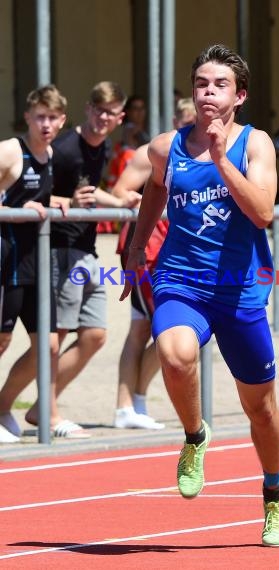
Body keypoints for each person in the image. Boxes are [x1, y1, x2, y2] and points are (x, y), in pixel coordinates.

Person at [120, 44, 279, 547]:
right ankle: (196, 436)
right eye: (200, 83)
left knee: (260, 409)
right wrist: (135, 249)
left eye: (218, 85)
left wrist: (220, 159)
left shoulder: (255, 144)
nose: (207, 92)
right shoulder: (166, 146)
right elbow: (155, 188)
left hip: (240, 289)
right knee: (174, 355)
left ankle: (275, 492)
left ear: (239, 95)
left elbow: (262, 213)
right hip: (181, 279)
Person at [23, 81, 140, 439]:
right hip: (60, 249)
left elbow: (86, 190)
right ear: (87, 110)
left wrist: (118, 203)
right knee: (52, 340)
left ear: (119, 118)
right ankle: (42, 412)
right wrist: (66, 200)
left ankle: (40, 406)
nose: (103, 118)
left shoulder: (100, 146)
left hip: (86, 250)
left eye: (110, 113)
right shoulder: (64, 147)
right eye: (98, 110)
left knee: (95, 335)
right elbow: (43, 191)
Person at [112, 98, 196, 430]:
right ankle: (132, 401)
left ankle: (129, 405)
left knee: (140, 329)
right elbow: (120, 189)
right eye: (185, 118)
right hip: (148, 252)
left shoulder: (204, 153)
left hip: (174, 252)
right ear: (175, 118)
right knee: (167, 332)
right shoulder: (156, 151)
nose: (191, 124)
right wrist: (133, 199)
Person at [0, 85, 68, 443]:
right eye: (39, 116)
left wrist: (64, 201)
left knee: (50, 345)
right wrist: (14, 212)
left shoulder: (51, 155)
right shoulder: (11, 151)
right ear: (27, 117)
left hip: (35, 262)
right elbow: (15, 199)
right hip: (5, 260)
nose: (46, 124)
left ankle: (3, 405)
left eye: (52, 117)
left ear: (61, 120)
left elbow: (35, 196)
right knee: (2, 339)